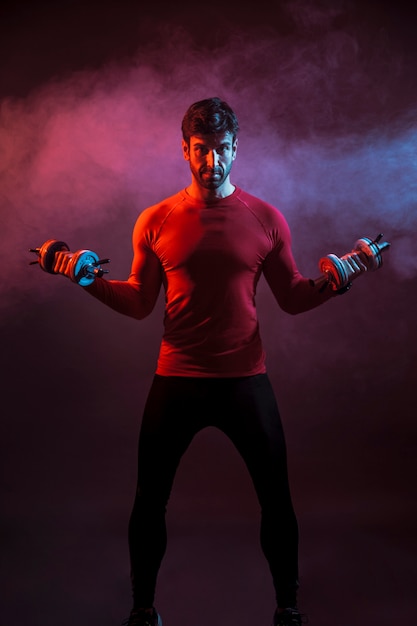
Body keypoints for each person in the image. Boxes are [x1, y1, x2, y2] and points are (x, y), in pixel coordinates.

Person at [51, 97, 376, 626]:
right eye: (201, 150)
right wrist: (82, 277)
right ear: (185, 150)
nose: (212, 162)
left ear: (236, 148)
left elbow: (292, 297)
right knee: (148, 501)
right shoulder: (155, 220)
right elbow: (137, 303)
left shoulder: (265, 218)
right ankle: (142, 610)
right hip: (176, 379)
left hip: (245, 381)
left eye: (222, 149)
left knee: (277, 499)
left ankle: (288, 609)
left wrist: (344, 277)